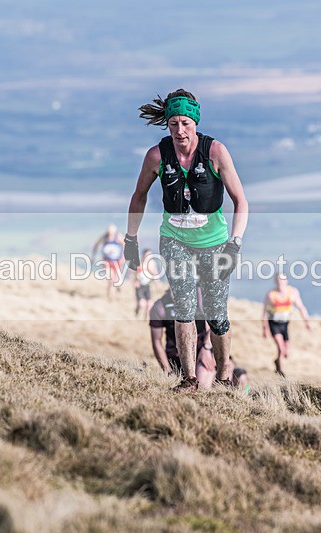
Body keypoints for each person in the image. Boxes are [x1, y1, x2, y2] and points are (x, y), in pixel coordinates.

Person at [125, 89, 249, 392]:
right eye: (173, 124)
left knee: (216, 314)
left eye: (185, 123)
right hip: (174, 238)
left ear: (195, 122)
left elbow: (241, 201)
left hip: (215, 242)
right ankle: (189, 379)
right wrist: (131, 239)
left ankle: (222, 378)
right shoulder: (157, 155)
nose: (179, 131)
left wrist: (235, 244)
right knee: (184, 307)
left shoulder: (215, 152)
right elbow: (139, 196)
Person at [148, 289, 216, 386]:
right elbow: (156, 342)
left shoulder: (200, 297)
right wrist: (168, 371)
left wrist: (206, 348)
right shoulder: (160, 307)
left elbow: (213, 327)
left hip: (201, 353)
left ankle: (242, 389)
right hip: (176, 358)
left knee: (203, 385)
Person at [262, 272, 311, 377]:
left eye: (283, 281)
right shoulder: (271, 294)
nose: (281, 283)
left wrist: (307, 322)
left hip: (285, 324)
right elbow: (264, 312)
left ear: (287, 281)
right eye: (279, 281)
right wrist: (265, 329)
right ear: (276, 282)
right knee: (281, 347)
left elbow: (301, 307)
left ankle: (277, 362)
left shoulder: (292, 292)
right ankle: (281, 371)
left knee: (286, 352)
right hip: (274, 323)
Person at [91, 224, 125, 300]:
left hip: (117, 261)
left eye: (112, 232)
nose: (110, 234)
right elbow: (96, 245)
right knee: (111, 280)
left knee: (116, 280)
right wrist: (93, 257)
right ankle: (110, 298)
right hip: (107, 262)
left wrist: (123, 257)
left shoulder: (118, 237)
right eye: (109, 232)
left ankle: (116, 288)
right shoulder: (104, 237)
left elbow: (125, 245)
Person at [133, 248, 156, 319]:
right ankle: (137, 309)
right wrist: (135, 281)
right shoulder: (139, 263)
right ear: (143, 255)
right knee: (142, 304)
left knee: (149, 303)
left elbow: (154, 274)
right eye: (147, 255)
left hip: (147, 285)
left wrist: (156, 283)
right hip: (140, 285)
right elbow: (135, 274)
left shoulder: (152, 263)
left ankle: (146, 320)